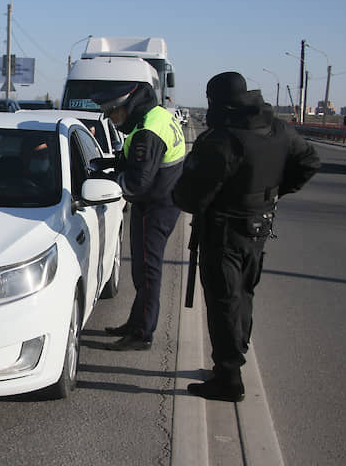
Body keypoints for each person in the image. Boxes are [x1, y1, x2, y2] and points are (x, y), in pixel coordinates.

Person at [173, 72, 319, 402]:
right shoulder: (277, 127)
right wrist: (273, 192)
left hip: (224, 231)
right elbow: (309, 161)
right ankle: (234, 357)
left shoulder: (223, 139)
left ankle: (228, 378)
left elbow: (189, 197)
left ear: (216, 101)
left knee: (224, 301)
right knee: (243, 295)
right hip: (259, 227)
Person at [96, 82, 186, 351]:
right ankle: (136, 322)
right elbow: (134, 161)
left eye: (113, 113)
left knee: (147, 272)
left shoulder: (149, 130)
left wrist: (112, 180)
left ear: (127, 106)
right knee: (141, 269)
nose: (112, 119)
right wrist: (110, 165)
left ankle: (142, 334)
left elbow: (137, 182)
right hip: (159, 201)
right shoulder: (151, 116)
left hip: (156, 206)